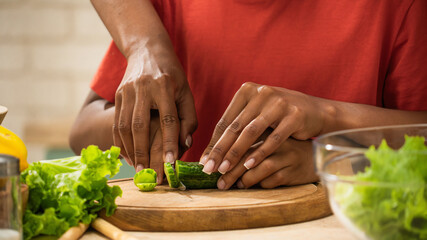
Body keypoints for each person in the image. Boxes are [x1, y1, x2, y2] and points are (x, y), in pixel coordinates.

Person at [69, 0, 427, 190]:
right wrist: (143, 124)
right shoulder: (158, 14)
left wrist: (326, 149)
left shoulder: (396, 7)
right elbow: (82, 131)